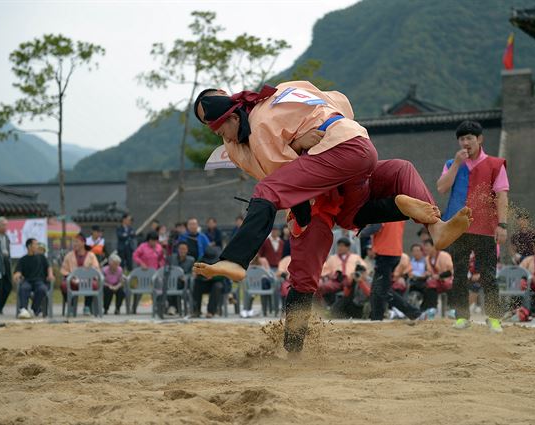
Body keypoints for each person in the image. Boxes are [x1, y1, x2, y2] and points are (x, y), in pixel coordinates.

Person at [193, 81, 471, 353]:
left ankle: (284, 335)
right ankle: (429, 224)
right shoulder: (281, 93)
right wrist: (303, 139)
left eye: (220, 128)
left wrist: (302, 143)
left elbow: (282, 178)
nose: (223, 136)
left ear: (233, 112)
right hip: (354, 154)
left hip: (320, 188)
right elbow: (338, 101)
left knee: (301, 272)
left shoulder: (261, 124)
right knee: (392, 177)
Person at [436, 120, 509, 333]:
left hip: (486, 227)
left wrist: (502, 225)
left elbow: (502, 196)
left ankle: (494, 318)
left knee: (488, 274)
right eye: (462, 139)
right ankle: (461, 317)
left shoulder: (495, 164)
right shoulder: (451, 163)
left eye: (470, 138)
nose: (466, 142)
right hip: (458, 227)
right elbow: (441, 188)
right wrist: (457, 164)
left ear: (480, 139)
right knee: (458, 274)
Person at [365, 222, 421, 321]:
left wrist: (359, 232)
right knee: (376, 289)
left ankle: (413, 312)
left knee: (382, 290)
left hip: (385, 253)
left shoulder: (382, 208)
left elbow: (376, 226)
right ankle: (376, 317)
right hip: (394, 252)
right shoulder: (398, 209)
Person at [60, 233, 101, 316]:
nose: (74, 244)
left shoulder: (91, 255)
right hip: (73, 281)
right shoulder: (69, 255)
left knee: (93, 285)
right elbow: (64, 269)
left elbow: (96, 269)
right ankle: (71, 306)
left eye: (77, 242)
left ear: (83, 243)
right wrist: (72, 278)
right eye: (74, 242)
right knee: (64, 285)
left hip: (88, 280)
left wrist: (86, 278)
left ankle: (87, 306)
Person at [318, 238, 366, 306]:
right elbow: (324, 271)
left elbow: (363, 268)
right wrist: (330, 275)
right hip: (336, 281)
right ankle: (322, 305)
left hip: (351, 281)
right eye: (339, 246)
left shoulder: (355, 257)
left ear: (348, 247)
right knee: (321, 286)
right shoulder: (332, 258)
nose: (340, 248)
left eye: (342, 246)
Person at [13, 238, 54, 319]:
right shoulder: (23, 259)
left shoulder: (41, 257)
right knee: (24, 288)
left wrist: (50, 274)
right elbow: (18, 271)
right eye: (35, 244)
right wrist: (16, 276)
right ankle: (23, 309)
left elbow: (49, 267)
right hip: (27, 281)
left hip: (39, 281)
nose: (37, 246)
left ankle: (33, 309)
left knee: (42, 289)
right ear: (29, 246)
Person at [421, 239, 453, 315]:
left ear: (434, 246)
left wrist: (439, 276)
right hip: (436, 282)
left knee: (452, 285)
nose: (425, 248)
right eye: (424, 246)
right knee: (429, 285)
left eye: (427, 246)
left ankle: (451, 309)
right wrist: (427, 274)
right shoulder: (427, 258)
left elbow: (450, 271)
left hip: (448, 280)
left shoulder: (444, 255)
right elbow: (429, 271)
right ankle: (431, 308)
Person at [192, 247, 225, 318]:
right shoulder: (201, 259)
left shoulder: (220, 261)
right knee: (197, 284)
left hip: (215, 282)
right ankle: (196, 310)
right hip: (203, 282)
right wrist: (199, 274)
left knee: (218, 286)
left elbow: (223, 275)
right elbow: (195, 270)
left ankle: (211, 311)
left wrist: (213, 276)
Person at [168, 242, 195, 316]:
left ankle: (174, 306)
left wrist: (185, 277)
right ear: (177, 249)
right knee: (170, 284)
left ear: (187, 250)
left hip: (185, 283)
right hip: (173, 281)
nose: (182, 251)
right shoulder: (171, 258)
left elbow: (192, 273)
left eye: (184, 249)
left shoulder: (191, 260)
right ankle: (172, 306)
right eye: (180, 249)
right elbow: (168, 270)